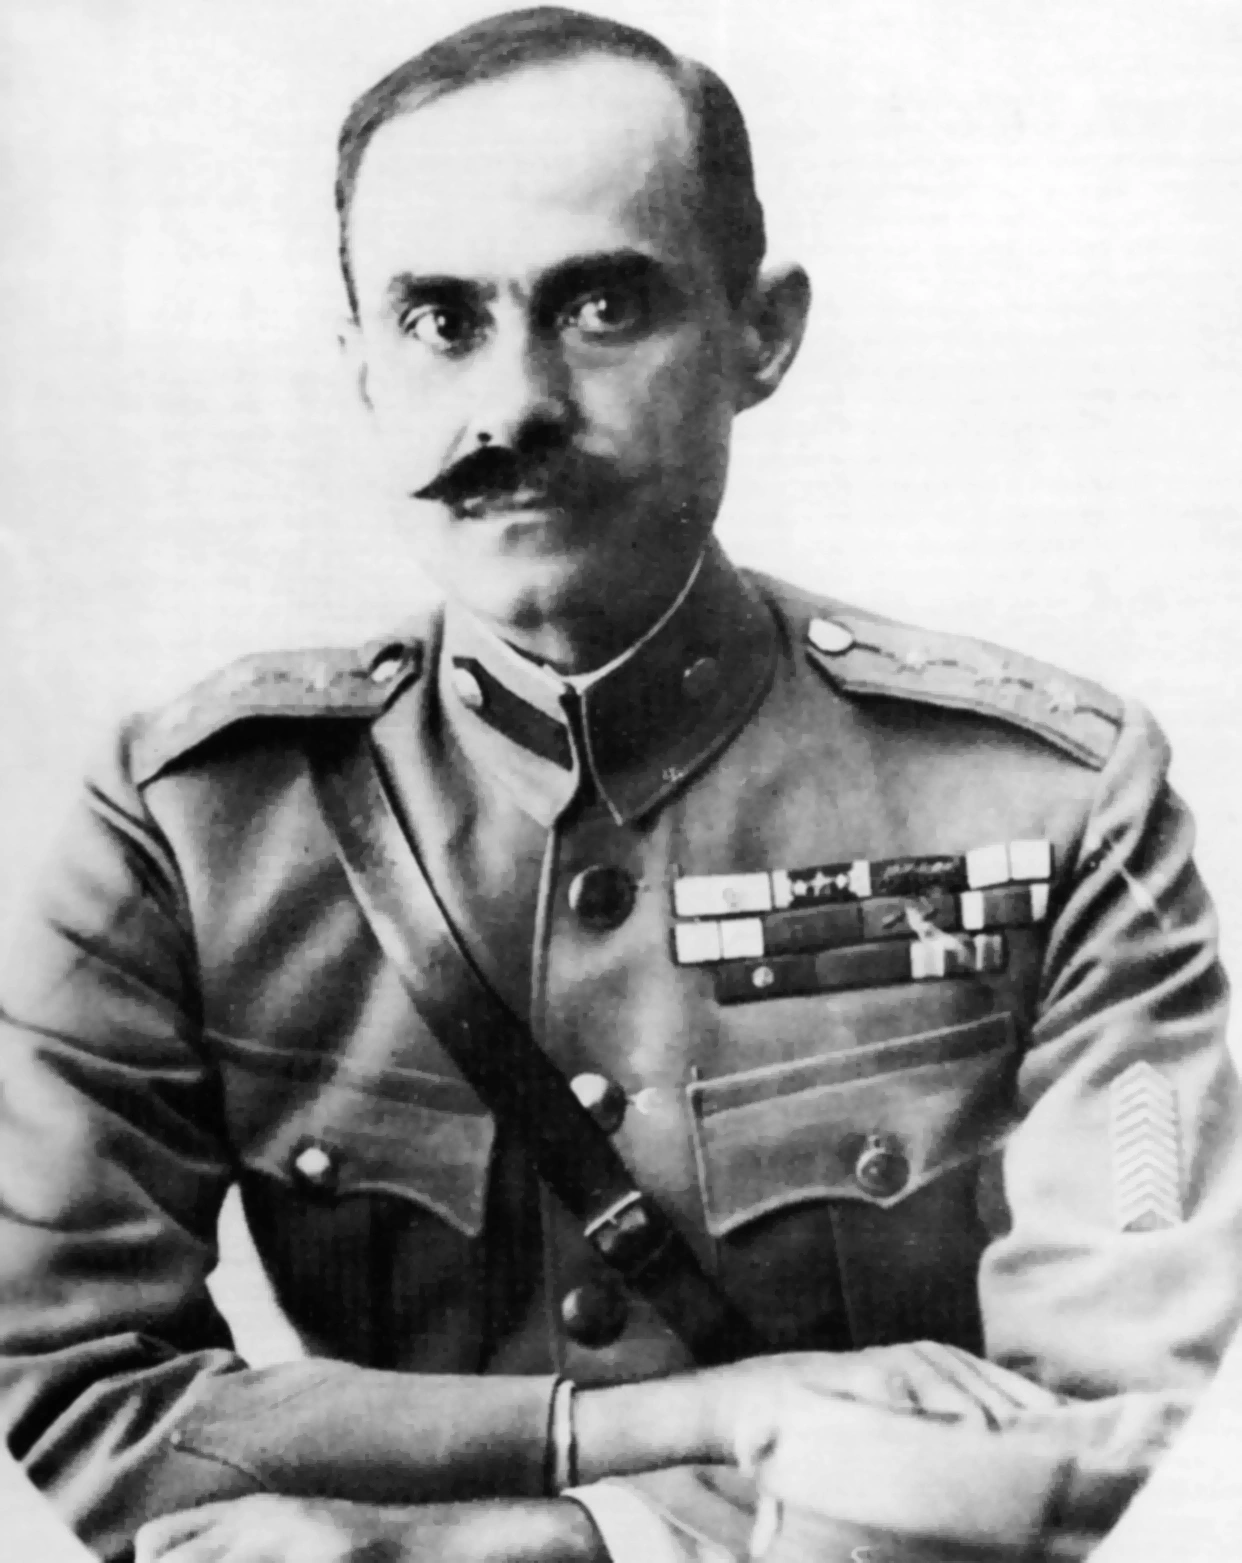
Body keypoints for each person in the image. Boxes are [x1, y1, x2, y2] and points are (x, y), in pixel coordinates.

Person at [1, 7, 1239, 1561]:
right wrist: (665, 1433)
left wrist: (574, 1539)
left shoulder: (1045, 807)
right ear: (359, 365)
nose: (509, 401)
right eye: (437, 319)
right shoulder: (190, 828)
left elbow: (1147, 1429)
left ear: (759, 332)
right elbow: (60, 1400)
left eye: (600, 305)